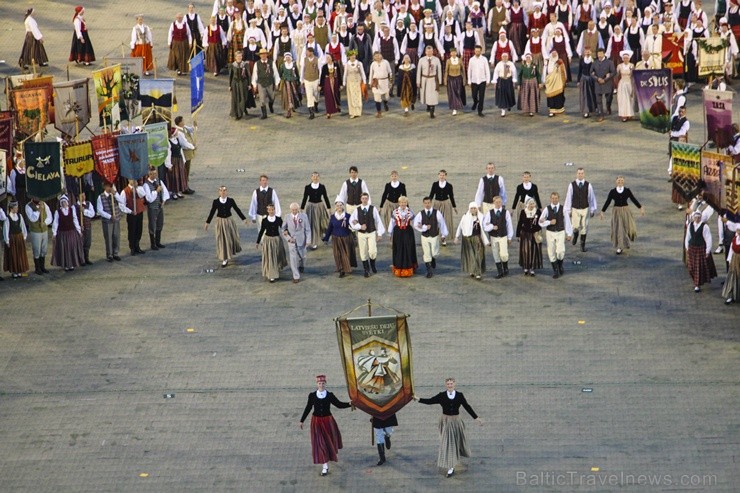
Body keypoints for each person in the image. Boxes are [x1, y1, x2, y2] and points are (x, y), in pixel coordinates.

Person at [414, 377, 482, 478]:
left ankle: (454, 458)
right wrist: (418, 399)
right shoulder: (442, 395)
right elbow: (430, 401)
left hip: (456, 421)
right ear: (446, 385)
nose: (450, 385)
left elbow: (467, 406)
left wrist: (476, 418)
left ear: (454, 384)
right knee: (448, 442)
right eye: (448, 384)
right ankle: (450, 466)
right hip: (446, 421)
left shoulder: (459, 395)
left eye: (451, 384)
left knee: (455, 441)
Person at [299, 375, 352, 477]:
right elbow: (308, 408)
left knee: (328, 441)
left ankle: (328, 457)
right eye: (319, 383)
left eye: (323, 383)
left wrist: (349, 404)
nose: (321, 385)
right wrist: (302, 420)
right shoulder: (312, 395)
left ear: (325, 384)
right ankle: (325, 466)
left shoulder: (330, 395)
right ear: (317, 384)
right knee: (320, 443)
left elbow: (339, 405)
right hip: (316, 422)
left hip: (328, 421)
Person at [600, 176, 645, 254]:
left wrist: (640, 207)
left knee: (628, 227)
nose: (620, 182)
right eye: (618, 180)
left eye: (621, 180)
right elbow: (608, 201)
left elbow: (633, 199)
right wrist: (602, 211)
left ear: (623, 181)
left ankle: (626, 242)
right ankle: (620, 247)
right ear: (616, 181)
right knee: (619, 228)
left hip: (626, 210)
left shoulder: (627, 191)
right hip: (616, 211)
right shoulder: (612, 192)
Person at [205, 185, 247, 267]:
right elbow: (212, 212)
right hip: (220, 222)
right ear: (219, 192)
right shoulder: (216, 202)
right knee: (222, 239)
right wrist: (207, 222)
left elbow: (237, 209)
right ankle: (224, 258)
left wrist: (243, 218)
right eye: (221, 190)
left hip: (229, 221)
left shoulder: (230, 201)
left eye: (224, 190)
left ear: (227, 192)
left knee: (230, 238)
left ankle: (230, 251)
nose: (223, 192)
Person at [538, 192, 573, 279]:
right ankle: (556, 270)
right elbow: (540, 222)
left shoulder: (563, 209)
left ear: (558, 198)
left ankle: (560, 265)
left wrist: (569, 233)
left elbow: (567, 221)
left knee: (560, 251)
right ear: (550, 199)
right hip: (550, 233)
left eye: (556, 198)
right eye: (553, 198)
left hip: (560, 232)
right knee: (551, 252)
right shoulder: (547, 209)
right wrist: (549, 222)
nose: (554, 200)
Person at [350, 193, 385, 277]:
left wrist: (379, 234)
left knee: (373, 251)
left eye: (366, 198)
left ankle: (372, 264)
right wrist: (359, 226)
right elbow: (352, 221)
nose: (364, 200)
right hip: (361, 234)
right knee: (363, 251)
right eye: (363, 198)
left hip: (371, 232)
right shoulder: (357, 210)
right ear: (360, 199)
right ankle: (366, 269)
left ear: (368, 199)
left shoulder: (373, 209)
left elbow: (378, 221)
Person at [413, 196, 448, 278]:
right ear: (423, 204)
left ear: (431, 203)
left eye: (428, 203)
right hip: (424, 236)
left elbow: (442, 223)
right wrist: (424, 228)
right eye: (425, 203)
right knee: (426, 253)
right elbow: (415, 225)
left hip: (434, 235)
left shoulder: (437, 213)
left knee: (435, 252)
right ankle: (429, 271)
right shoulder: (420, 214)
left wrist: (443, 234)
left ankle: (433, 258)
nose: (427, 205)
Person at [563, 168, 597, 253]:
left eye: (582, 173)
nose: (580, 175)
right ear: (576, 174)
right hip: (575, 208)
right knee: (575, 226)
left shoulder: (588, 185)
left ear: (584, 174)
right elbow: (569, 197)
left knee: (584, 227)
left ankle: (582, 246)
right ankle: (575, 235)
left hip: (585, 208)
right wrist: (567, 209)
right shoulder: (572, 185)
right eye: (579, 173)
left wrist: (593, 209)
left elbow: (591, 197)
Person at [97, 181, 131, 262]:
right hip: (107, 221)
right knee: (108, 237)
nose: (110, 188)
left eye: (111, 186)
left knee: (116, 236)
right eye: (109, 186)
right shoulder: (100, 197)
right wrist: (109, 216)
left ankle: (116, 253)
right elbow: (99, 210)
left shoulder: (114, 194)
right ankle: (109, 254)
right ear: (105, 187)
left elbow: (122, 201)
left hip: (116, 219)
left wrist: (115, 194)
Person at [454, 202, 489, 279]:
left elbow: (486, 226)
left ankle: (477, 272)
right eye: (471, 208)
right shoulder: (465, 216)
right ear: (469, 209)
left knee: (478, 255)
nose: (473, 210)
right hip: (467, 239)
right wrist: (457, 236)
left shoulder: (481, 217)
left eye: (474, 208)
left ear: (477, 209)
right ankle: (472, 270)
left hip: (477, 238)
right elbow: (460, 226)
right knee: (470, 256)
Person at [323, 201, 357, 277]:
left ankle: (346, 268)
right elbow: (330, 228)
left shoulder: (348, 216)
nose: (339, 207)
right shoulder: (332, 217)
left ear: (343, 206)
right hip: (336, 239)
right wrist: (326, 238)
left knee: (346, 254)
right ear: (335, 207)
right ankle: (341, 270)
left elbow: (352, 226)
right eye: (337, 206)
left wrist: (355, 226)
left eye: (340, 205)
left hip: (346, 238)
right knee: (337, 254)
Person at [684, 211, 717, 292]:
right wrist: (687, 247)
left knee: (698, 267)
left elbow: (708, 238)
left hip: (700, 248)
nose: (697, 219)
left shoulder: (704, 226)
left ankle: (697, 285)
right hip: (692, 248)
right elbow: (688, 236)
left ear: (700, 217)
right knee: (691, 267)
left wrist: (707, 251)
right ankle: (695, 280)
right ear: (693, 217)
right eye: (695, 217)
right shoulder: (690, 225)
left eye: (698, 217)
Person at [50, 195, 84, 271]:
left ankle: (71, 264)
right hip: (62, 234)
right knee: (64, 249)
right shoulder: (58, 212)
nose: (64, 204)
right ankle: (65, 265)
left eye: (65, 202)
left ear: (67, 202)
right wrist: (54, 233)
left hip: (71, 232)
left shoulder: (72, 210)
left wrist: (79, 230)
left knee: (72, 248)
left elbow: (75, 220)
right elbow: (55, 223)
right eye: (62, 202)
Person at [482, 196, 514, 279]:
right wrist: (492, 227)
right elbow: (485, 225)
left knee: (504, 254)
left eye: (500, 202)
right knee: (495, 254)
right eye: (496, 202)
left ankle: (505, 268)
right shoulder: (490, 213)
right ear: (493, 203)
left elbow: (509, 225)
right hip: (494, 236)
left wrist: (510, 237)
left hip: (503, 236)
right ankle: (500, 271)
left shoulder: (505, 212)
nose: (498, 204)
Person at [256, 203, 287, 282]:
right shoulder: (265, 220)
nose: (271, 211)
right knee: (270, 257)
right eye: (269, 210)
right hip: (268, 240)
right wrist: (257, 242)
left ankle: (276, 269)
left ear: (274, 210)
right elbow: (262, 231)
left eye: (272, 210)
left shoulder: (278, 219)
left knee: (277, 255)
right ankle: (272, 275)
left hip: (277, 239)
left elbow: (283, 229)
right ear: (267, 211)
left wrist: (288, 236)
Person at [388, 196, 417, 277]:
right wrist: (390, 233)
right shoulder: (395, 211)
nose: (403, 204)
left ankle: (409, 267)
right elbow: (392, 223)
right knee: (399, 248)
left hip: (408, 232)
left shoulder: (410, 211)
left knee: (408, 248)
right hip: (398, 233)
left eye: (405, 202)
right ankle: (398, 268)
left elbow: (415, 221)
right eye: (401, 202)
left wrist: (419, 227)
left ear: (407, 203)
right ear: (399, 203)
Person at [142, 166, 170, 251]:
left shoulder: (159, 181)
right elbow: (149, 198)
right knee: (152, 225)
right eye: (151, 174)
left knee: (159, 224)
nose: (154, 175)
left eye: (155, 173)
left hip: (159, 206)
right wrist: (156, 191)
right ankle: (153, 243)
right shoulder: (146, 185)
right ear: (148, 174)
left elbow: (165, 191)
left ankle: (158, 241)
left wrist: (164, 201)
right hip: (152, 208)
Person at [301, 172, 331, 249]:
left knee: (321, 222)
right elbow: (305, 198)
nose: (315, 178)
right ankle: (313, 241)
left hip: (320, 206)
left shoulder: (322, 187)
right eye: (313, 176)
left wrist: (329, 207)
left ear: (319, 177)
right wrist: (302, 208)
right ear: (311, 178)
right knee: (312, 224)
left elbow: (325, 197)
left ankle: (322, 236)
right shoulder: (307, 187)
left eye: (316, 176)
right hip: (310, 207)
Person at [283, 202, 311, 283]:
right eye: (293, 210)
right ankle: (296, 276)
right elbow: (283, 229)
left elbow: (308, 229)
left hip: (302, 240)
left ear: (298, 209)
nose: (294, 211)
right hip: (291, 241)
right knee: (293, 259)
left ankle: (301, 265)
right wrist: (288, 238)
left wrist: (308, 240)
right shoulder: (287, 217)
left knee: (302, 256)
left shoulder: (304, 216)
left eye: (296, 210)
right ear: (290, 210)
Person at [166, 125, 196, 200]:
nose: (177, 133)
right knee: (174, 177)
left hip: (179, 160)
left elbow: (181, 150)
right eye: (176, 133)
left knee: (179, 176)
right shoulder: (169, 142)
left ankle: (178, 191)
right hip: (174, 161)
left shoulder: (177, 140)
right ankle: (173, 192)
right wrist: (169, 165)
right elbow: (168, 154)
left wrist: (183, 160)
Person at [25, 198, 52, 275]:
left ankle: (42, 266)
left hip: (44, 230)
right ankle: (37, 268)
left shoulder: (44, 204)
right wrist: (38, 211)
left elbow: (49, 216)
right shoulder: (28, 206)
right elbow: (33, 219)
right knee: (37, 249)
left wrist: (45, 223)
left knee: (44, 249)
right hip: (35, 230)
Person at [429, 170, 457, 246]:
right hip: (437, 203)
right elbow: (431, 194)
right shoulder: (435, 184)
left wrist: (454, 206)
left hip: (446, 203)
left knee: (446, 220)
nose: (442, 176)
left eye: (443, 175)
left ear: (446, 176)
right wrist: (428, 203)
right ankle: (435, 236)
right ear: (438, 175)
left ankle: (443, 236)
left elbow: (451, 196)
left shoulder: (449, 185)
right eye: (440, 175)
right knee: (436, 219)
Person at [517, 198, 543, 276]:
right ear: (527, 204)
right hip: (525, 234)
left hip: (534, 234)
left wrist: (538, 231)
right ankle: (526, 267)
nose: (531, 205)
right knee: (525, 251)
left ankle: (532, 268)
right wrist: (518, 235)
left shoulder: (538, 212)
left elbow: (541, 223)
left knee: (534, 251)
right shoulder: (523, 212)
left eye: (533, 204)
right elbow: (519, 224)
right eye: (530, 204)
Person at [3, 202, 29, 279]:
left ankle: (20, 270)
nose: (17, 209)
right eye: (15, 208)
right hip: (12, 238)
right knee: (13, 254)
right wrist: (7, 241)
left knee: (20, 254)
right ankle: (14, 271)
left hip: (19, 237)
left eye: (17, 208)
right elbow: (6, 230)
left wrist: (24, 236)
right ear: (11, 209)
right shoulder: (8, 218)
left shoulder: (19, 216)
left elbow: (23, 226)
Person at [417, 45, 443, 118]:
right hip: (424, 79)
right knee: (426, 94)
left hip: (433, 79)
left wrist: (440, 81)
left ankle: (432, 110)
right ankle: (428, 105)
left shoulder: (436, 60)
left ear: (433, 52)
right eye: (427, 51)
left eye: (430, 51)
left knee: (433, 94)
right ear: (425, 52)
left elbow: (439, 70)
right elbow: (419, 71)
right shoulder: (421, 60)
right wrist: (418, 81)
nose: (429, 53)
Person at [252, 48, 278, 119]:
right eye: (262, 54)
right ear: (260, 56)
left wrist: (276, 83)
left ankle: (270, 105)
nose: (263, 56)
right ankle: (264, 114)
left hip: (270, 82)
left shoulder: (271, 62)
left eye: (264, 54)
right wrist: (254, 85)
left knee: (272, 97)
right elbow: (254, 75)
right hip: (261, 83)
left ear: (267, 55)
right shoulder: (257, 64)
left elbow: (275, 73)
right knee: (262, 99)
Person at [229, 50, 256, 120]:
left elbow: (248, 75)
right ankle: (237, 114)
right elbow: (230, 76)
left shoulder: (245, 64)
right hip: (235, 84)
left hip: (243, 83)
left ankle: (243, 109)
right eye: (237, 56)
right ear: (235, 57)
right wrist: (230, 86)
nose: (239, 58)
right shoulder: (232, 65)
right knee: (236, 99)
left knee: (243, 98)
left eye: (240, 56)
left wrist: (249, 84)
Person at [123, 179, 147, 256]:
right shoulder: (125, 191)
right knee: (132, 230)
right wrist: (130, 211)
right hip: (131, 214)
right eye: (131, 180)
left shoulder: (139, 188)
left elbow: (142, 194)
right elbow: (122, 204)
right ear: (128, 180)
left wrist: (136, 188)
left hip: (139, 211)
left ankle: (137, 245)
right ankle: (132, 247)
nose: (133, 181)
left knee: (139, 229)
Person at [592, 47, 615, 121]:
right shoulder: (595, 62)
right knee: (598, 101)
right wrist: (597, 78)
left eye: (601, 54)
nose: (599, 55)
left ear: (604, 53)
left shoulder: (609, 62)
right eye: (598, 54)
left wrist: (605, 79)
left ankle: (608, 107)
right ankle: (601, 115)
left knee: (608, 98)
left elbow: (613, 72)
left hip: (607, 83)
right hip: (598, 83)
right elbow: (591, 72)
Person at [492, 52, 517, 117]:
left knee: (509, 94)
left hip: (509, 80)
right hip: (501, 80)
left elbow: (514, 72)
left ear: (508, 57)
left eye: (506, 56)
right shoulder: (499, 64)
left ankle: (509, 105)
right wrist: (495, 82)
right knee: (502, 95)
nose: (505, 58)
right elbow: (496, 73)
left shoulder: (511, 64)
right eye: (503, 57)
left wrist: (514, 81)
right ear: (501, 57)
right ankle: (503, 110)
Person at [721, 219, 740, 304]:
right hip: (735, 260)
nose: (738, 232)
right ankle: (731, 295)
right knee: (732, 277)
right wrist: (729, 260)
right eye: (738, 230)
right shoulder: (735, 239)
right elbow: (731, 251)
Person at [467, 45, 490, 116]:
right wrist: (469, 80)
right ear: (474, 51)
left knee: (481, 96)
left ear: (481, 51)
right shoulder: (471, 59)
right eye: (476, 51)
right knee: (474, 95)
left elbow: (487, 70)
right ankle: (475, 102)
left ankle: (480, 111)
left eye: (479, 51)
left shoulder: (484, 59)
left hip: (482, 80)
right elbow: (469, 70)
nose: (477, 52)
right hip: (474, 80)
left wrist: (488, 80)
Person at [369, 51, 393, 117]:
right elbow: (371, 74)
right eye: (376, 56)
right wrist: (370, 83)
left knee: (386, 97)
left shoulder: (386, 62)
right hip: (376, 82)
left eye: (378, 55)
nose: (377, 57)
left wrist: (390, 82)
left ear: (381, 55)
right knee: (377, 97)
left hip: (385, 82)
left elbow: (390, 72)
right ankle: (379, 112)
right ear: (374, 57)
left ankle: (385, 103)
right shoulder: (373, 64)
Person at [543, 51, 567, 117]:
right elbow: (545, 71)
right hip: (550, 82)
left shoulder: (559, 62)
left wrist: (564, 80)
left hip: (558, 81)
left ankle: (559, 109)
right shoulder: (547, 62)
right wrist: (544, 80)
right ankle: (551, 110)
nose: (553, 55)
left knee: (558, 96)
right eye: (552, 54)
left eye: (555, 54)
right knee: (550, 96)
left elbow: (563, 71)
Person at [302, 47, 323, 119]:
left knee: (316, 94)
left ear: (311, 52)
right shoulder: (304, 60)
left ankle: (316, 103)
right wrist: (301, 80)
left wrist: (320, 81)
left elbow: (320, 70)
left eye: (307, 52)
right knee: (309, 96)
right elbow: (302, 70)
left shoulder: (317, 60)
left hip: (315, 79)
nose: (306, 53)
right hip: (307, 80)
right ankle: (311, 112)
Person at [344, 50, 367, 118]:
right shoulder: (347, 64)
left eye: (354, 55)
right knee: (351, 97)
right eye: (351, 55)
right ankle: (352, 112)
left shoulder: (359, 63)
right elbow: (345, 73)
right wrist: (344, 81)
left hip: (357, 82)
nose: (353, 57)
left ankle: (358, 112)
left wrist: (364, 81)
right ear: (349, 56)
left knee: (357, 97)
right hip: (350, 82)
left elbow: (362, 72)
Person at [278, 53, 301, 118]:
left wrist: (298, 81)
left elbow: (297, 73)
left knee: (293, 95)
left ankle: (293, 106)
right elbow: (280, 74)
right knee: (287, 96)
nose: (288, 58)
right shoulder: (282, 66)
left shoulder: (293, 65)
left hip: (293, 83)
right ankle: (288, 111)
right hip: (286, 83)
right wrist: (283, 79)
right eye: (286, 57)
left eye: (289, 57)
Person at [517, 52, 541, 117]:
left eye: (529, 58)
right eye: (527, 58)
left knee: (532, 96)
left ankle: (532, 111)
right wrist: (519, 84)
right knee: (526, 95)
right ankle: (526, 109)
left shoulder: (534, 66)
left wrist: (539, 83)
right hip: (525, 82)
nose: (528, 59)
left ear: (531, 59)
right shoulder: (523, 66)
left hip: (533, 82)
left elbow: (538, 75)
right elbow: (519, 75)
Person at [444, 47, 466, 115]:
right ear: (450, 53)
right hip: (451, 79)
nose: (453, 54)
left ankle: (458, 105)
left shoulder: (459, 60)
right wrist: (445, 80)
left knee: (458, 93)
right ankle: (454, 108)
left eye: (454, 52)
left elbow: (463, 70)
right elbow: (446, 71)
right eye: (452, 52)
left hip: (458, 79)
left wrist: (464, 80)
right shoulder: (448, 61)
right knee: (453, 94)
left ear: (456, 53)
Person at [577, 47, 598, 118]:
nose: (587, 52)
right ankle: (586, 111)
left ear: (591, 52)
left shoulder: (594, 60)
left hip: (591, 80)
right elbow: (580, 70)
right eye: (586, 51)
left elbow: (596, 70)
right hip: (584, 79)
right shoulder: (582, 60)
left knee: (592, 95)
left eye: (589, 51)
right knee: (584, 95)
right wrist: (578, 81)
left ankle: (593, 108)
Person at [320, 53, 343, 118]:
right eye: (327, 58)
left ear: (331, 58)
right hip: (327, 83)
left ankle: (337, 106)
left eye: (329, 58)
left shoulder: (336, 65)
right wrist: (320, 85)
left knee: (336, 95)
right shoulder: (324, 67)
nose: (328, 59)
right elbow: (322, 76)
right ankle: (328, 112)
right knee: (328, 97)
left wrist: (341, 84)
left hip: (335, 82)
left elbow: (339, 74)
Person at [616, 50, 635, 122]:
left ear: (629, 58)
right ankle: (623, 114)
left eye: (627, 58)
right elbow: (617, 75)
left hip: (629, 83)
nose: (625, 59)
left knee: (630, 99)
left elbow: (634, 75)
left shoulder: (632, 65)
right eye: (624, 58)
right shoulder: (619, 66)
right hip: (622, 84)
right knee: (623, 99)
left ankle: (629, 114)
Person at [76, 192, 95, 265]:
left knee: (87, 243)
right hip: (79, 228)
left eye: (84, 195)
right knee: (80, 243)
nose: (84, 197)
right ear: (78, 197)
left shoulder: (88, 204)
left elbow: (92, 214)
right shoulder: (75, 206)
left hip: (87, 226)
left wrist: (84, 211)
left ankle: (86, 258)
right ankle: (81, 259)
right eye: (82, 196)